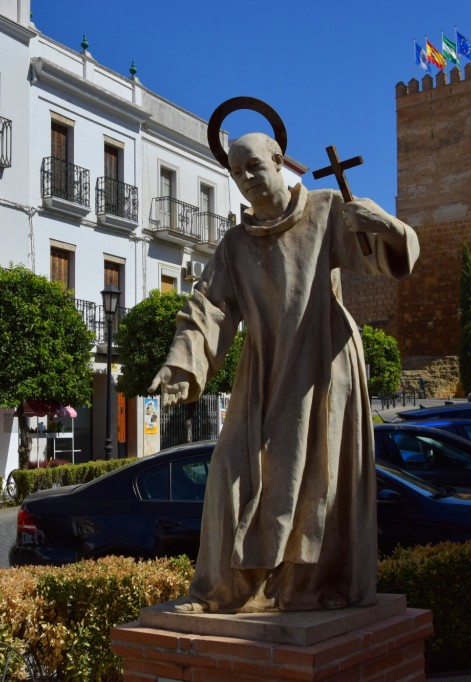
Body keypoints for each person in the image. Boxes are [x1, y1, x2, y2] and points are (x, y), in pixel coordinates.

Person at [149, 131, 419, 613]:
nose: (246, 179)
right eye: (236, 173)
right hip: (264, 369)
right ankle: (220, 591)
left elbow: (382, 260)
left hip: (323, 364)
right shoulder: (235, 245)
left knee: (319, 481)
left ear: (278, 161)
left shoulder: (323, 209)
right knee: (230, 470)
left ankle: (310, 589)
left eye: (253, 166)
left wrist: (387, 226)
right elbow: (208, 306)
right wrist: (183, 365)